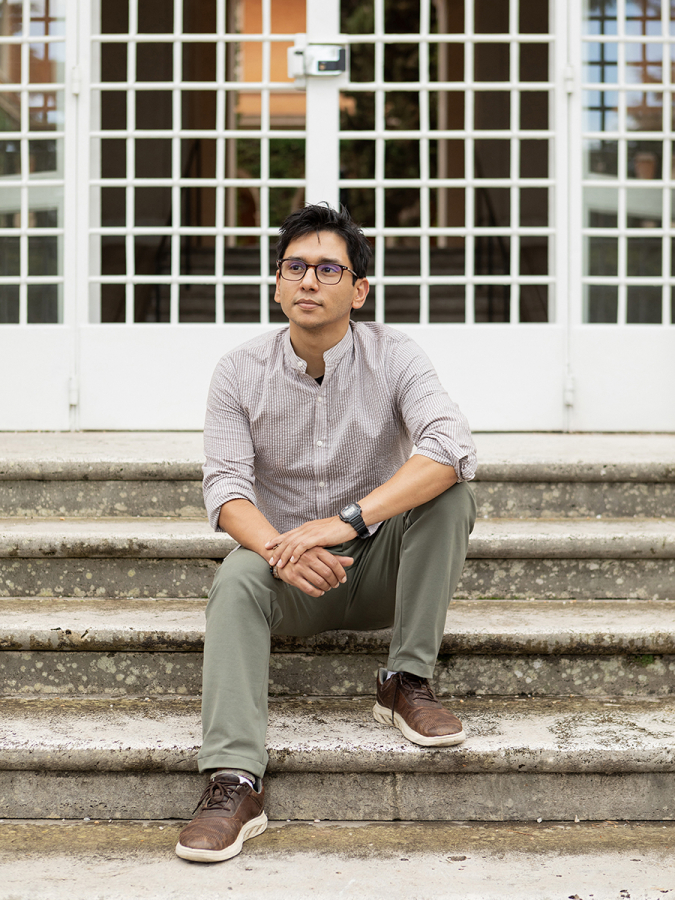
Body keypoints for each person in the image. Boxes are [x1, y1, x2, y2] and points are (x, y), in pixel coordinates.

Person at [176, 203, 477, 863]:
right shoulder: (237, 371)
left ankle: (404, 681)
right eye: (295, 267)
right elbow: (224, 489)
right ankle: (234, 780)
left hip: (375, 567)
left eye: (327, 268)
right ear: (277, 284)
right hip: (288, 574)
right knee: (233, 579)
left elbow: (451, 446)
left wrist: (346, 521)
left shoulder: (394, 355)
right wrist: (278, 551)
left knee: (450, 495)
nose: (309, 281)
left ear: (358, 290)